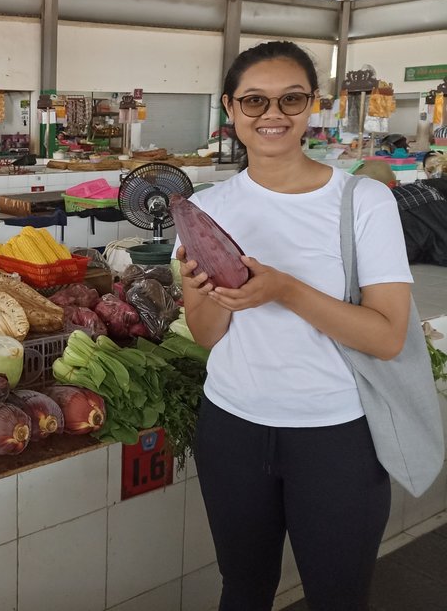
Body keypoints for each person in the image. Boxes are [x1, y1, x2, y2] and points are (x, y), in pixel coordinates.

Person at [176, 41, 412, 611]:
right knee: (244, 588)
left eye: (291, 99)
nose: (272, 115)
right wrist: (201, 292)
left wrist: (285, 289)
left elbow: (386, 336)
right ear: (230, 110)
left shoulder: (364, 202)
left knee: (337, 596)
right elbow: (208, 335)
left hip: (336, 436)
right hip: (232, 427)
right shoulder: (208, 208)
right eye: (254, 101)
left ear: (315, 106)